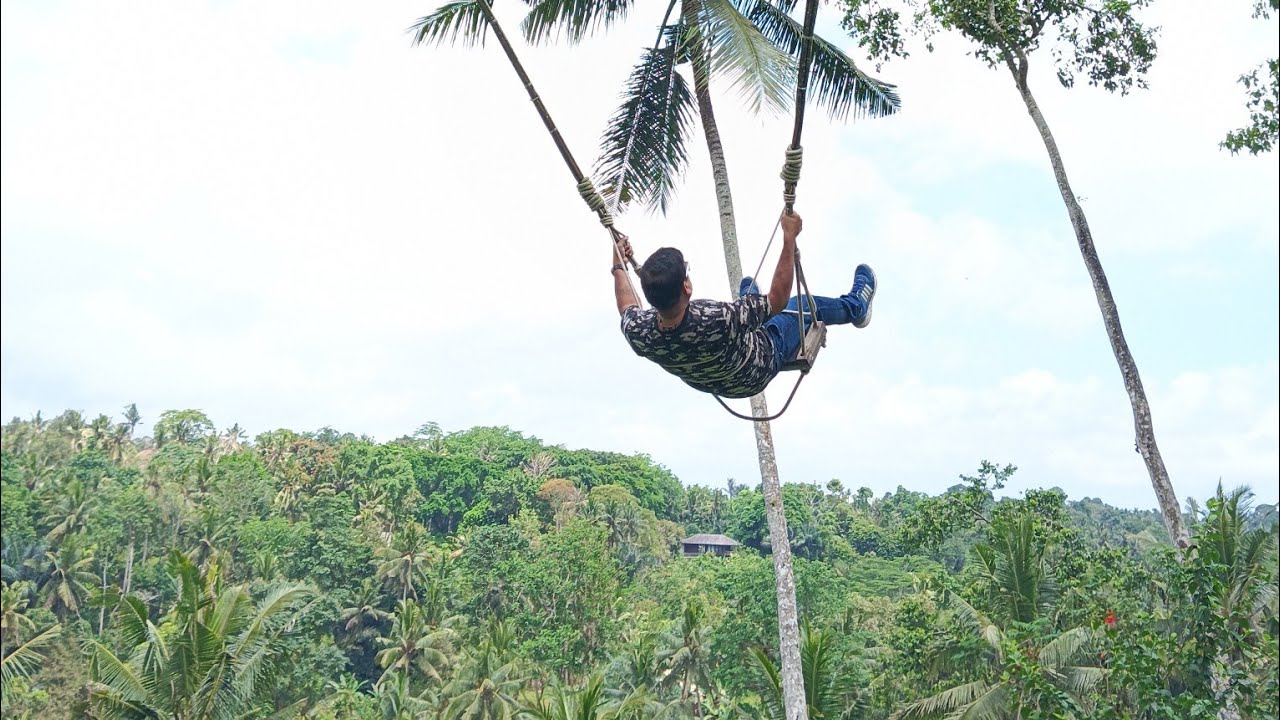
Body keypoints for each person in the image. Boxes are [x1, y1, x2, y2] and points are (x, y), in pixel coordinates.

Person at [610, 212, 877, 399]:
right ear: (686, 287)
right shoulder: (718, 318)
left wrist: (619, 263)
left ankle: (750, 299)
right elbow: (777, 300)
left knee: (748, 302)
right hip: (759, 364)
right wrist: (788, 240)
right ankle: (856, 308)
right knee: (796, 307)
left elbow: (626, 307)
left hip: (714, 382)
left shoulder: (640, 332)